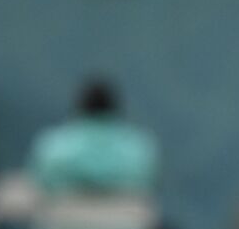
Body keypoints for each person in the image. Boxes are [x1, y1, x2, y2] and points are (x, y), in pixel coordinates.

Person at [27, 79, 158, 195]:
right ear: (115, 110)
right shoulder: (139, 148)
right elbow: (147, 180)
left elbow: (42, 177)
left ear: (80, 109)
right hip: (124, 215)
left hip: (67, 212)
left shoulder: (54, 145)